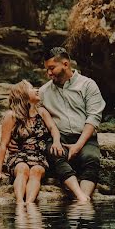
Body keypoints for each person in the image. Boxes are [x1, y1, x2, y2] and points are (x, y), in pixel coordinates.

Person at [40, 47, 106, 202]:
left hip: (85, 136)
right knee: (56, 156)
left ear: (65, 64)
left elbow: (93, 117)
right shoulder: (43, 92)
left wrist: (78, 145)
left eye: (51, 68)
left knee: (91, 159)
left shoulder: (88, 85)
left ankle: (82, 201)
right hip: (60, 138)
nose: (48, 73)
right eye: (46, 69)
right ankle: (81, 198)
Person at [0, 80, 64, 203]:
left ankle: (29, 203)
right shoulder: (12, 116)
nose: (36, 90)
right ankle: (19, 203)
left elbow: (53, 128)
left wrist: (57, 142)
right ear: (22, 94)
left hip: (39, 157)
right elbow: (3, 145)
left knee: (36, 170)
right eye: (32, 88)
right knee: (22, 168)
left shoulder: (42, 112)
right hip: (18, 156)